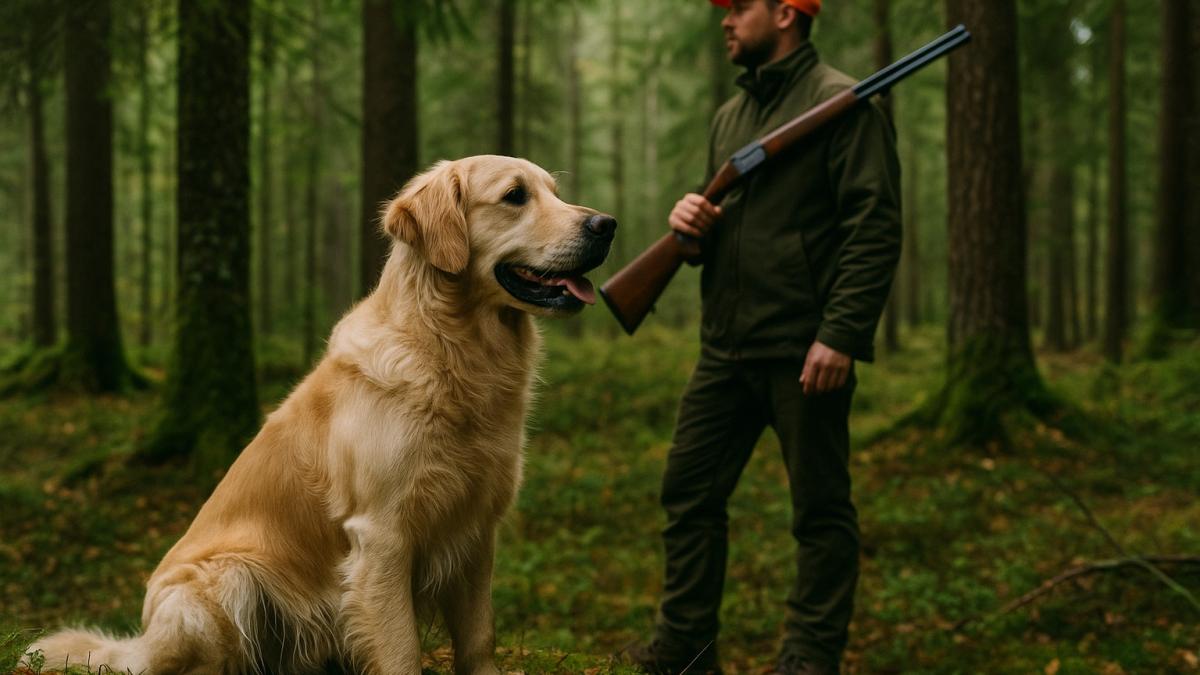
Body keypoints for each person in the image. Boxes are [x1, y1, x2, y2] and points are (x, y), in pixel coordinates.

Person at [624, 1, 901, 674]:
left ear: (785, 14)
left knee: (820, 510)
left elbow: (874, 228)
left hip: (805, 350)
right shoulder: (731, 116)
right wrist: (690, 227)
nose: (724, 19)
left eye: (738, 7)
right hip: (725, 347)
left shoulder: (844, 103)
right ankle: (685, 645)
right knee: (687, 491)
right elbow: (731, 224)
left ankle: (809, 656)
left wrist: (839, 333)